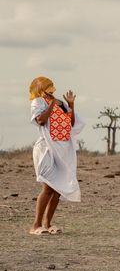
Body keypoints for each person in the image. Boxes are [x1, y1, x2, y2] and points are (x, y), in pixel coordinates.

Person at [29, 77, 84, 236]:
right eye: (46, 86)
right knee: (47, 187)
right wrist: (51, 103)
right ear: (40, 88)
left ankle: (47, 223)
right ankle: (36, 225)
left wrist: (71, 105)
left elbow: (71, 123)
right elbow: (40, 120)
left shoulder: (61, 102)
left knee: (58, 189)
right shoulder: (38, 102)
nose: (51, 89)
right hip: (47, 148)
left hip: (62, 148)